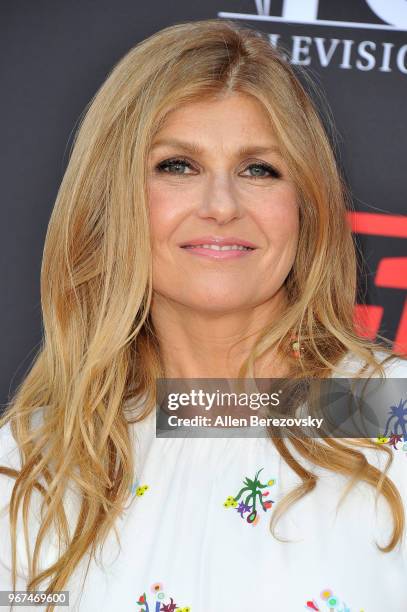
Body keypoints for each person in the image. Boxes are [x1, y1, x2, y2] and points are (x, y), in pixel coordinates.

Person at [0, 18, 406, 612]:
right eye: (178, 166)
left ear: (305, 206)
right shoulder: (36, 460)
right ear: (114, 200)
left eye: (258, 170)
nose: (221, 206)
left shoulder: (386, 413)